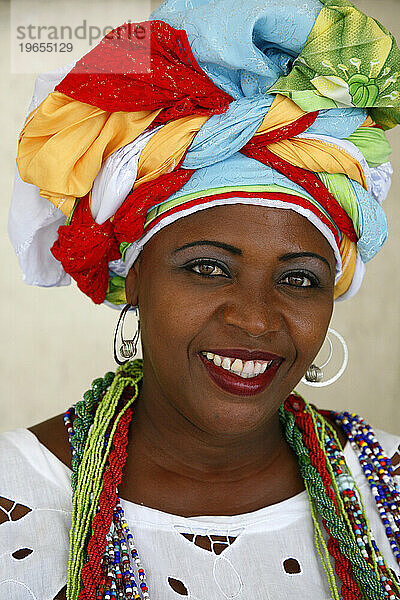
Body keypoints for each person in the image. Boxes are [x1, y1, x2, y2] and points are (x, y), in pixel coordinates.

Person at [2, 0, 400, 598]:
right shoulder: (17, 496)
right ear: (131, 277)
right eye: (208, 268)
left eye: (299, 279)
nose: (256, 318)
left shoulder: (385, 484)